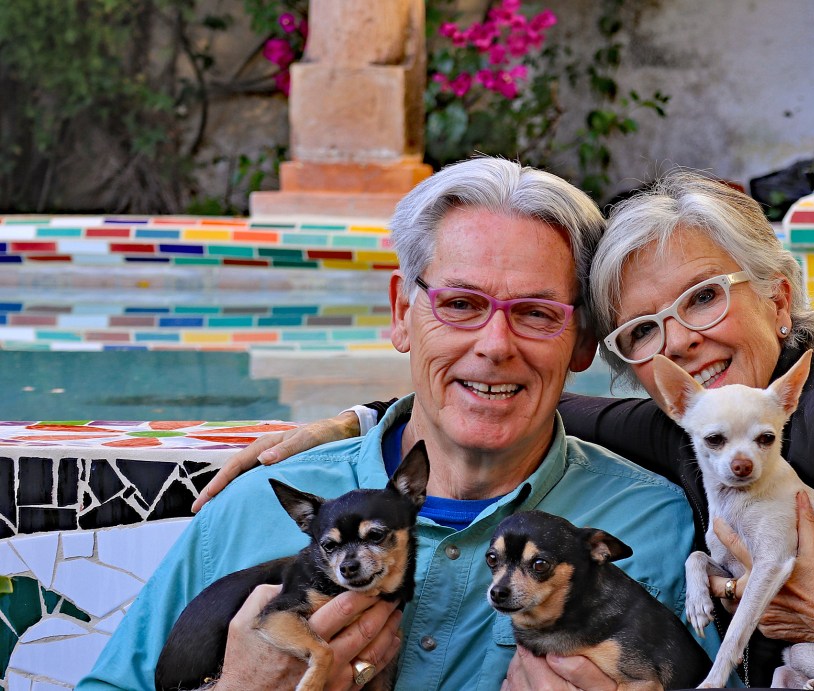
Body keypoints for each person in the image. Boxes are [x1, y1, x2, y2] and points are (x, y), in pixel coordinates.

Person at [200, 169, 814, 688]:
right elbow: (514, 391)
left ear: (778, 294)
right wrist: (361, 420)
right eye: (643, 331)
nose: (686, 342)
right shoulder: (691, 440)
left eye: (705, 296)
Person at [79, 158, 721, 691]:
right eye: (461, 305)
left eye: (534, 313)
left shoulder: (658, 528)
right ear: (402, 313)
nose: (495, 345)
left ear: (581, 344)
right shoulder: (254, 507)